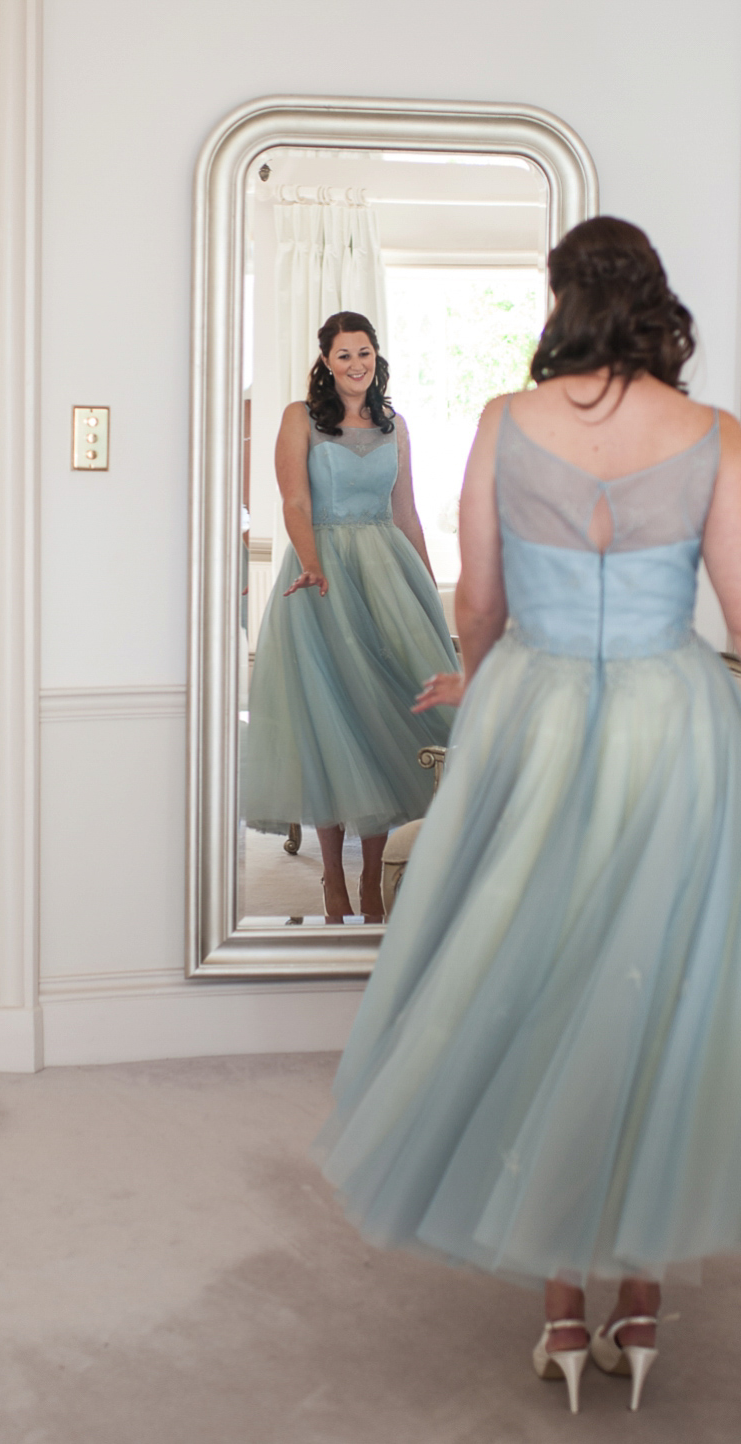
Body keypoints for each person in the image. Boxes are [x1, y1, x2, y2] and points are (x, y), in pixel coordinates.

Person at [316, 218, 741, 1413]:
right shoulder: (712, 436)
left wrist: (480, 676)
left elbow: (481, 601)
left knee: (539, 981)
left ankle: (561, 1311)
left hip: (540, 713)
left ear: (562, 303)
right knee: (657, 989)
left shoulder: (509, 419)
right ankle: (640, 1303)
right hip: (672, 722)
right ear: (656, 303)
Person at [240, 311, 460, 924]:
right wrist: (312, 566)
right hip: (323, 572)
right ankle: (333, 882)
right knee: (329, 724)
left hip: (389, 574)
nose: (356, 364)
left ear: (375, 356)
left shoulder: (397, 425)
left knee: (383, 720)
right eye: (343, 355)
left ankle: (372, 880)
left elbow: (408, 512)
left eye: (364, 353)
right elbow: (293, 499)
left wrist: (426, 591)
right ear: (326, 362)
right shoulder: (300, 418)